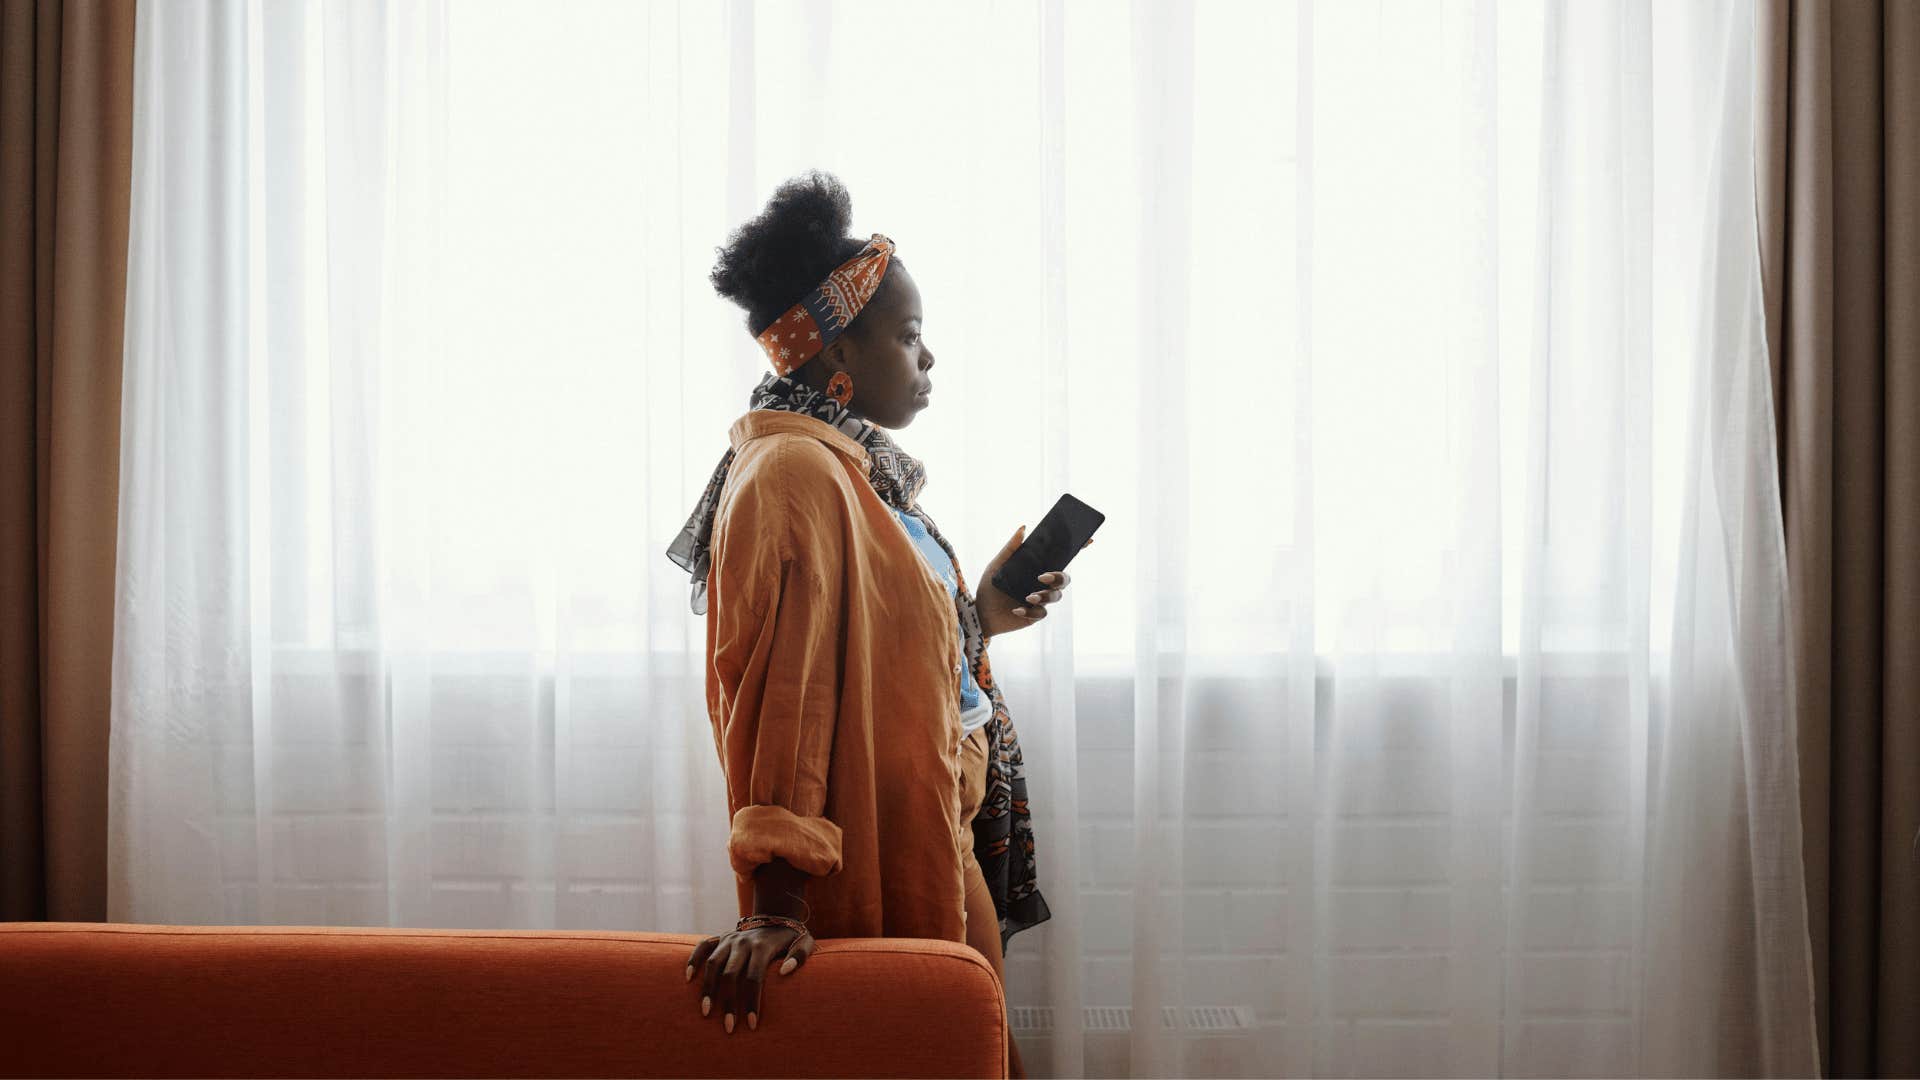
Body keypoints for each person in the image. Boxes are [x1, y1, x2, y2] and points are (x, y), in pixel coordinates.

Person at [665, 170, 1087, 1078]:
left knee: (985, 1057)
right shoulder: (794, 477)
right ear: (833, 351)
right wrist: (776, 899)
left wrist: (980, 618)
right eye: (909, 336)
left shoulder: (858, 473)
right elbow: (785, 689)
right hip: (881, 852)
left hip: (944, 825)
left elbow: (885, 652)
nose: (928, 361)